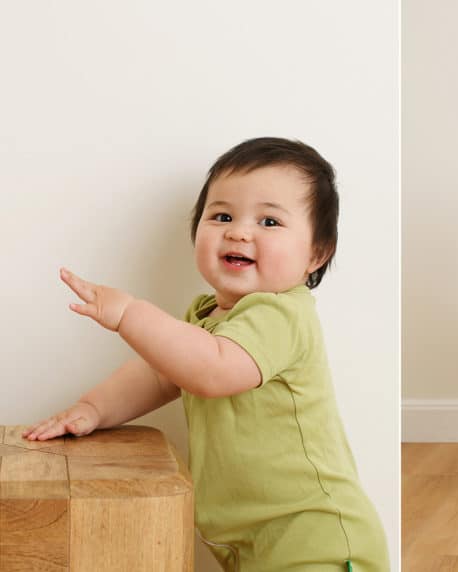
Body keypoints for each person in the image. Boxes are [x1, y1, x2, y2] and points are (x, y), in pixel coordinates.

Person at [24, 137, 390, 571]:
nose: (238, 231)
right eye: (221, 216)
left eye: (269, 222)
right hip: (252, 542)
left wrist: (129, 313)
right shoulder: (205, 319)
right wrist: (92, 409)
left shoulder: (283, 315)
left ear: (316, 253)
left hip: (313, 539)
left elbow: (213, 370)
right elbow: (162, 373)